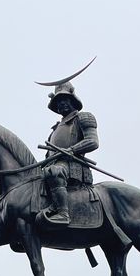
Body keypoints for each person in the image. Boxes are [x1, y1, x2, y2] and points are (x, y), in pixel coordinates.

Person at [40, 81, 99, 225]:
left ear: (72, 100)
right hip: (53, 165)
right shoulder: (55, 129)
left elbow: (93, 141)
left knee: (54, 171)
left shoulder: (83, 117)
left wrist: (71, 150)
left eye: (64, 99)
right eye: (58, 102)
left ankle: (63, 213)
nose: (61, 104)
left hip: (72, 165)